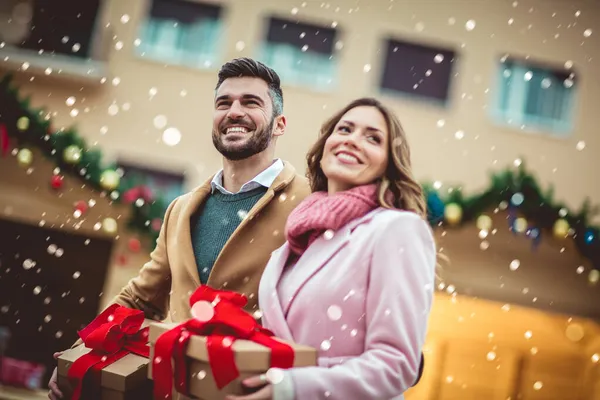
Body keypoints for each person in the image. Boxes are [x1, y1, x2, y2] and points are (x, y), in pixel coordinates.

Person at [47, 58, 311, 400]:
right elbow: (138, 299)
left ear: (279, 125)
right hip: (171, 389)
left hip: (253, 390)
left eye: (251, 102)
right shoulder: (181, 209)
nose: (234, 111)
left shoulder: (310, 202)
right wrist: (78, 353)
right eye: (223, 103)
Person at [228, 98, 436, 400]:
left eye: (373, 138)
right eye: (345, 129)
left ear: (387, 163)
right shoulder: (296, 240)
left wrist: (295, 387)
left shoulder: (397, 230)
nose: (352, 141)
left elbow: (397, 364)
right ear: (325, 145)